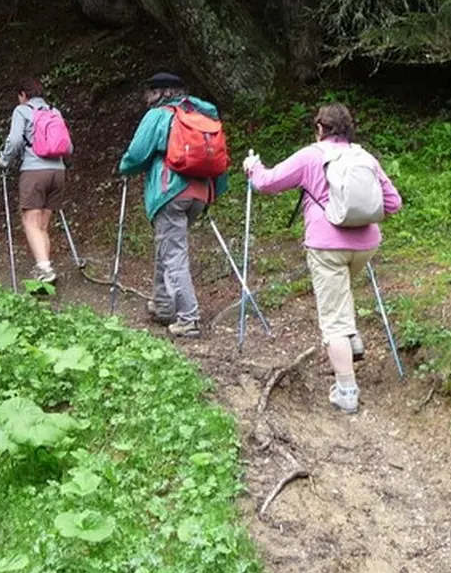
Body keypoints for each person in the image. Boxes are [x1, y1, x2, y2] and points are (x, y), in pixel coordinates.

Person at [243, 102, 403, 415]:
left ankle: (346, 390)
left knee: (333, 322)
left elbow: (267, 182)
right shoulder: (364, 157)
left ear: (320, 128)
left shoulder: (310, 156)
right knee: (341, 292)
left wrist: (252, 167)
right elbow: (393, 203)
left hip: (327, 246)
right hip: (366, 245)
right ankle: (353, 340)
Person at [116, 72, 224, 338]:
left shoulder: (159, 115)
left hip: (170, 191)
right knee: (168, 246)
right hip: (199, 192)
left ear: (161, 93)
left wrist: (125, 168)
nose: (147, 97)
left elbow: (137, 153)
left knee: (173, 252)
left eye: (150, 92)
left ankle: (188, 318)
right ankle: (164, 306)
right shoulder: (203, 114)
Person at [0, 77, 66, 283]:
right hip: (58, 171)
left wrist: (4, 160)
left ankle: (45, 270)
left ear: (23, 95)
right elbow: (67, 144)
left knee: (30, 222)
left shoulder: (22, 110)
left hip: (35, 172)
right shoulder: (54, 112)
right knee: (42, 225)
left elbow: (16, 140)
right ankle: (45, 266)